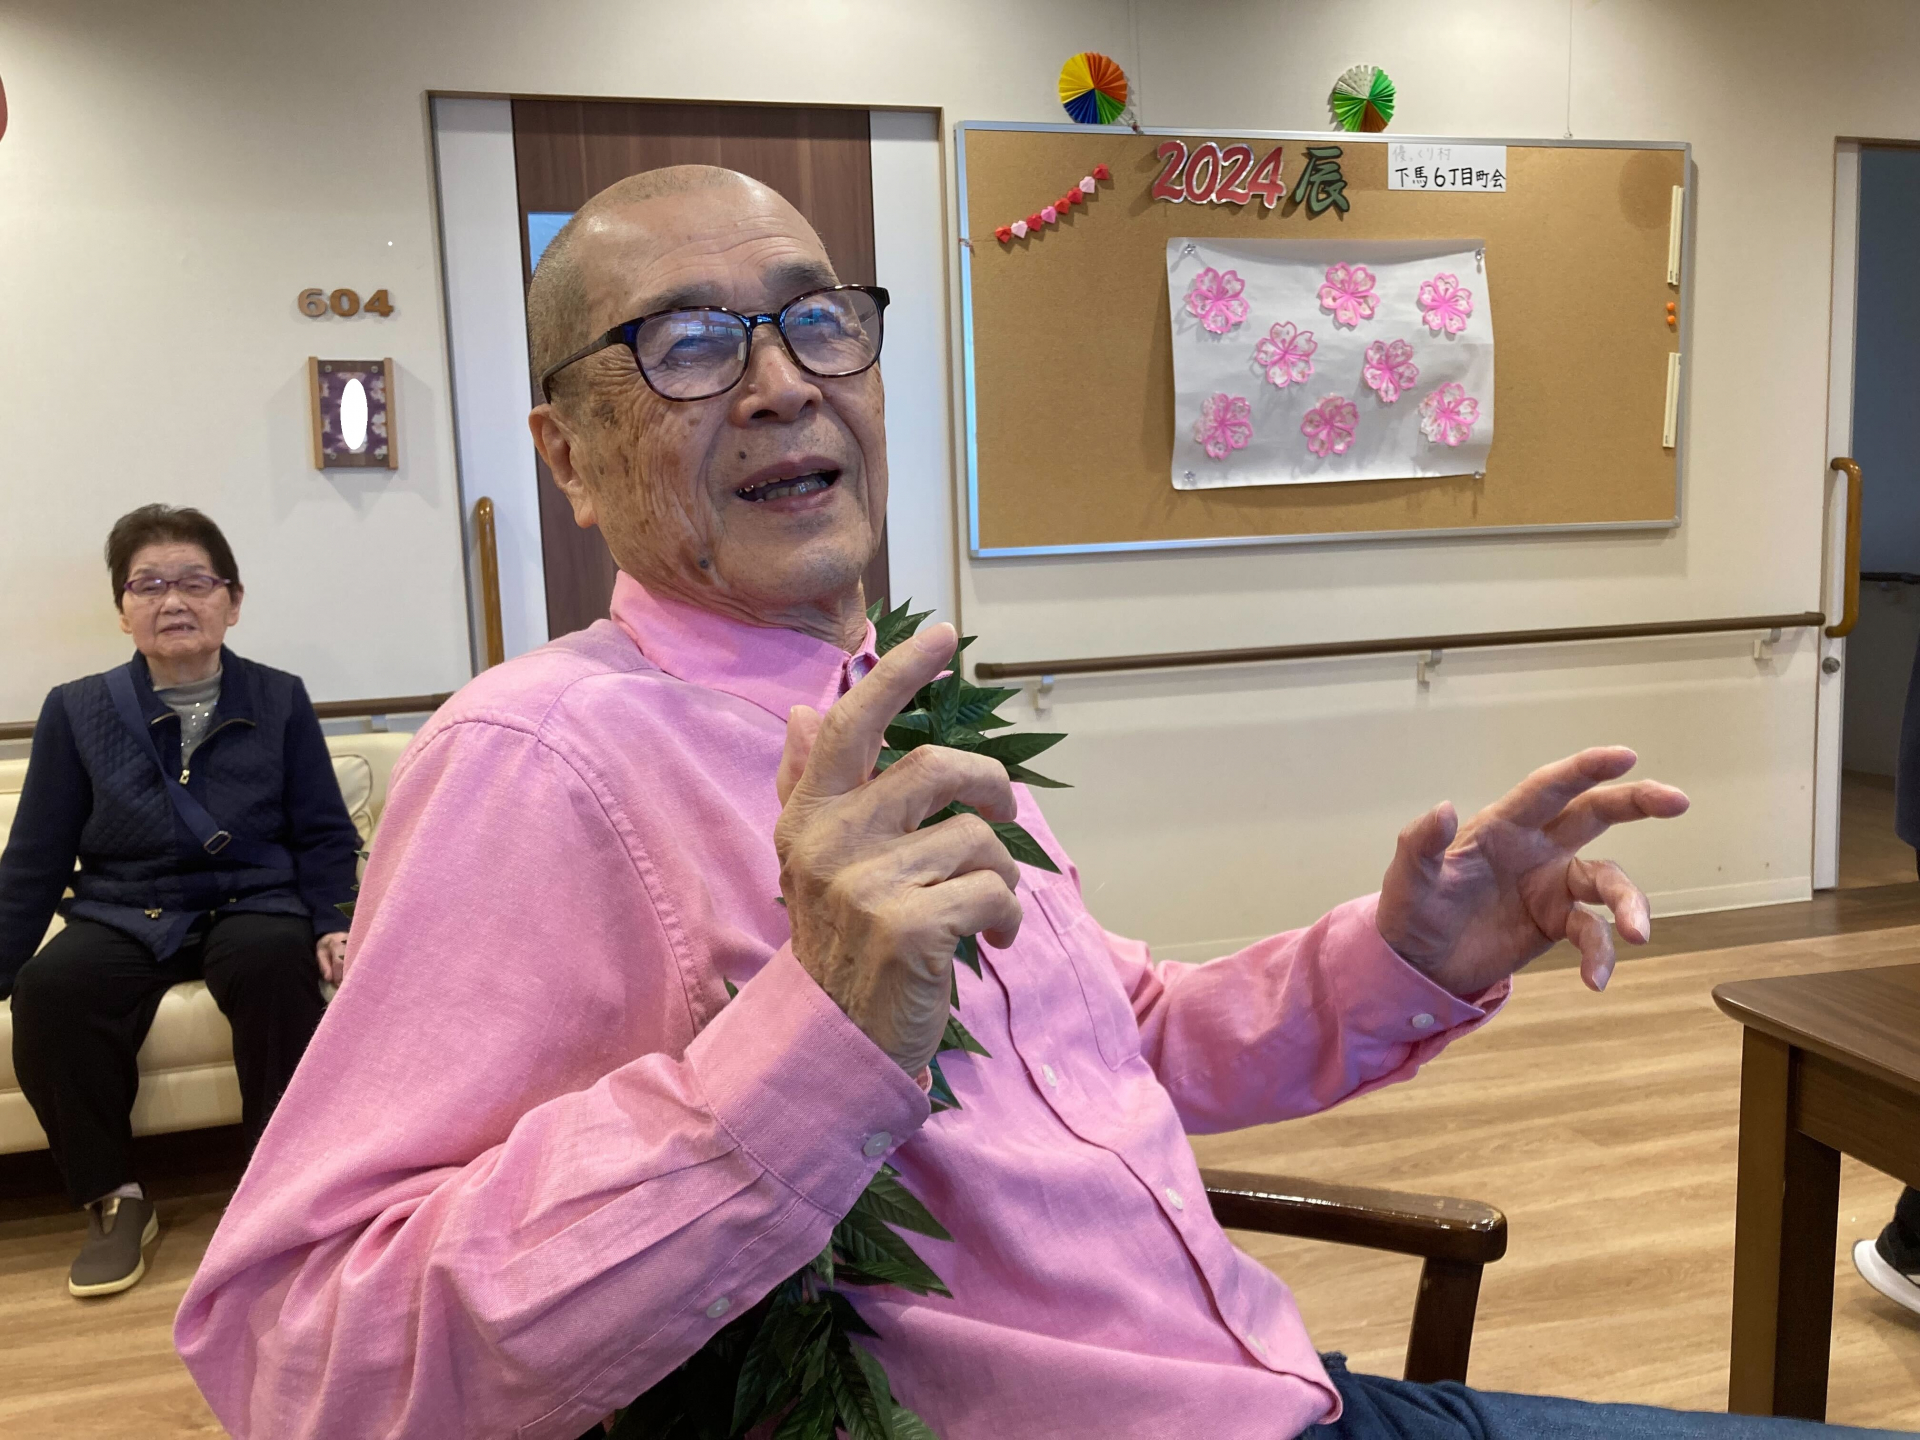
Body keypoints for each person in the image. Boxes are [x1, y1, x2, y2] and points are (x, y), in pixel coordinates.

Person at [173, 168, 1900, 1439]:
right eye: (686, 344)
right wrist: (812, 1043)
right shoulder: (538, 760)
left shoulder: (897, 705)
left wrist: (1398, 959)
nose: (779, 381)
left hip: (1265, 1381)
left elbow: (1110, 1043)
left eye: (817, 321)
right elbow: (300, 1359)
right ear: (565, 454)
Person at [0, 504, 358, 1298]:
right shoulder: (76, 709)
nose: (173, 601)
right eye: (149, 585)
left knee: (275, 963)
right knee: (50, 990)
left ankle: (277, 1186)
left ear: (233, 600)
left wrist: (334, 920)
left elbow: (325, 834)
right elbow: (35, 856)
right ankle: (113, 1196)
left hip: (251, 898)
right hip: (128, 906)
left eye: (196, 581)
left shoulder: (280, 697)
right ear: (122, 609)